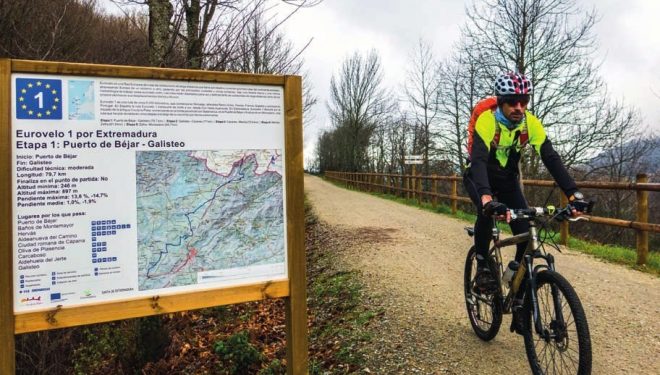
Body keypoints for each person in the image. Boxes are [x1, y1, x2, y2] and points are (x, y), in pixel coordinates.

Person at [463, 72, 589, 294]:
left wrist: (573, 195)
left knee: (525, 234)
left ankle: (515, 287)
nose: (519, 107)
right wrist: (486, 197)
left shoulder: (530, 123)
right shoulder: (487, 120)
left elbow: (550, 157)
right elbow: (479, 159)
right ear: (501, 102)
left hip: (508, 181)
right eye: (512, 102)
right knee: (486, 212)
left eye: (524, 102)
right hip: (479, 177)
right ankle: (482, 266)